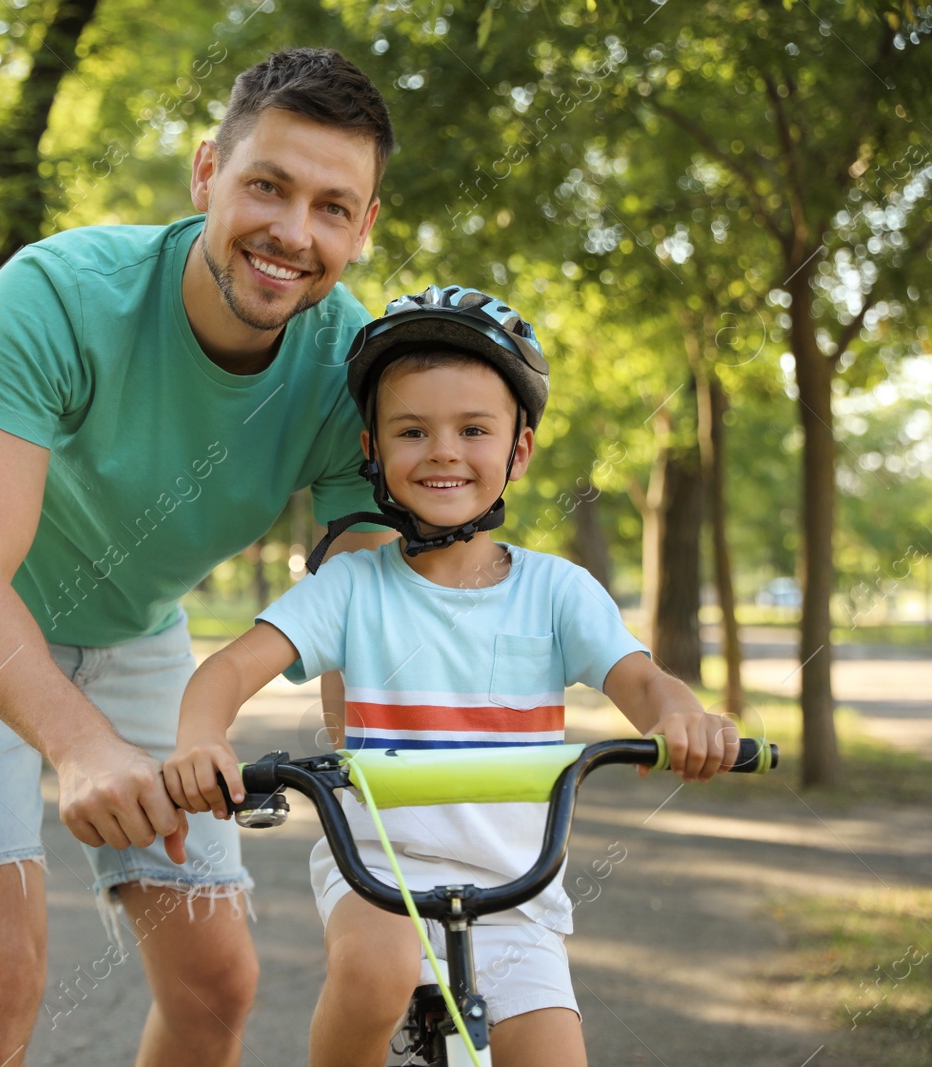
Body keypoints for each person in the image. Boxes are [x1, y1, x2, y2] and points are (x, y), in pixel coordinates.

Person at [0, 49, 400, 1066]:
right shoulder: (61, 294)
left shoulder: (350, 366)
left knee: (216, 982)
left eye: (333, 206)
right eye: (266, 186)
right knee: (2, 964)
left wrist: (387, 796)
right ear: (206, 173)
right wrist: (82, 746)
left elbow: (361, 612)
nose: (293, 232)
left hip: (134, 627)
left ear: (363, 228)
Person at [163, 284, 742, 1067]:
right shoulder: (351, 586)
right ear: (372, 450)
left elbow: (643, 682)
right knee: (378, 971)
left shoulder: (558, 591)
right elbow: (225, 674)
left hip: (517, 890)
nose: (443, 450)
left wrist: (683, 717)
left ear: (519, 450)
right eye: (412, 430)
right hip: (378, 871)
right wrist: (200, 737)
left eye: (474, 429)